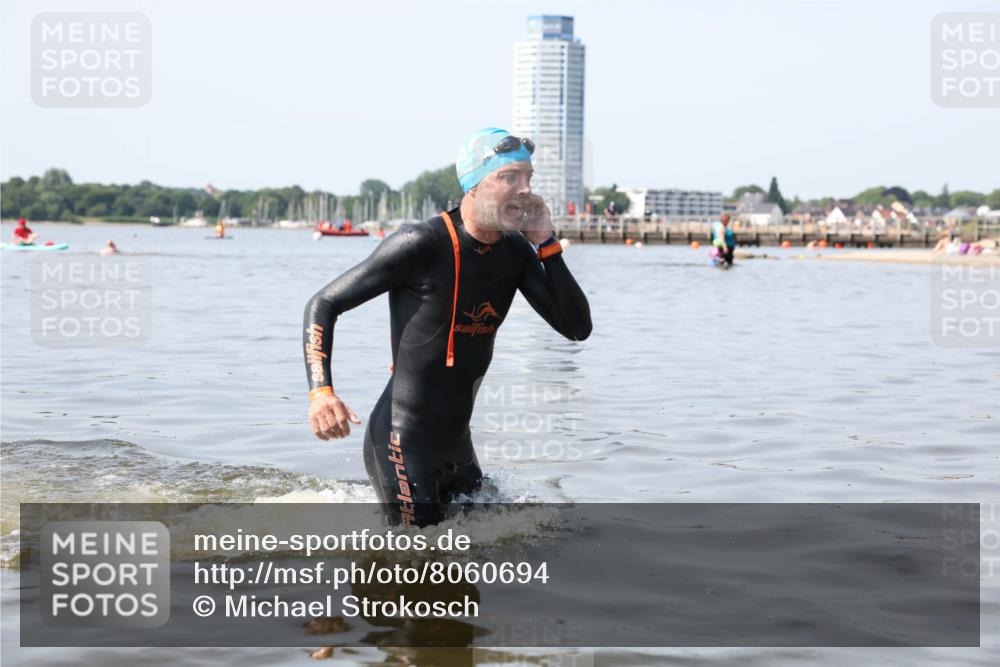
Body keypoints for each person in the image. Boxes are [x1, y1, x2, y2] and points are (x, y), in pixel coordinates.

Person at [302, 127, 592, 527]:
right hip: (402, 441)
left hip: (457, 446)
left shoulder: (516, 252)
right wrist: (321, 392)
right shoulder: (420, 243)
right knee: (416, 562)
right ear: (473, 185)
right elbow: (323, 303)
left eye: (529, 178)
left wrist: (547, 246)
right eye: (509, 178)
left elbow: (577, 328)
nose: (526, 190)